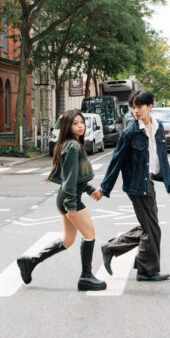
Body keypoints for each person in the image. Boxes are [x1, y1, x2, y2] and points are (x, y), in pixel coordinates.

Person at [16, 110, 106, 291]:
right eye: (75, 123)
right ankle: (86, 277)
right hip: (69, 199)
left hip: (65, 197)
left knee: (67, 240)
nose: (80, 126)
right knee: (89, 236)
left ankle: (31, 262)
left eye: (82, 122)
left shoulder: (71, 144)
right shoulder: (72, 146)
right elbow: (70, 179)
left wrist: (89, 190)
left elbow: (74, 177)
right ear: (68, 126)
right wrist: (71, 206)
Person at [99, 90, 170, 282]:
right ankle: (144, 269)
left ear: (150, 106)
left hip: (148, 181)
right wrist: (104, 188)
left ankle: (114, 250)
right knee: (151, 228)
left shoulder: (158, 127)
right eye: (132, 107)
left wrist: (169, 182)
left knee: (149, 227)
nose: (135, 111)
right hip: (136, 184)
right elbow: (116, 161)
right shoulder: (130, 131)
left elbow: (162, 157)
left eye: (139, 107)